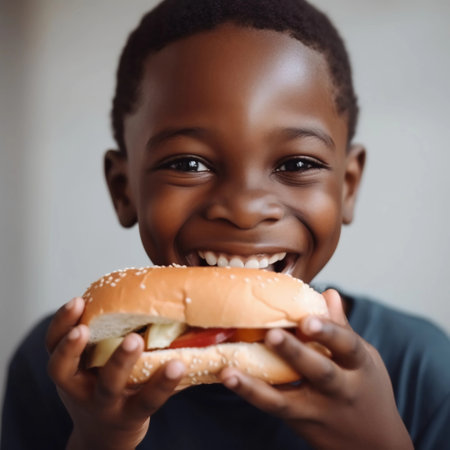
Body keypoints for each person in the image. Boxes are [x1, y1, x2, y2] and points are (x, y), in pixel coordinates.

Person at [2, 0, 449, 448]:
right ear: (124, 190)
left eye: (296, 162)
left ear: (347, 186)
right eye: (189, 163)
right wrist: (99, 439)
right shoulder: (61, 369)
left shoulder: (419, 364)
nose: (244, 209)